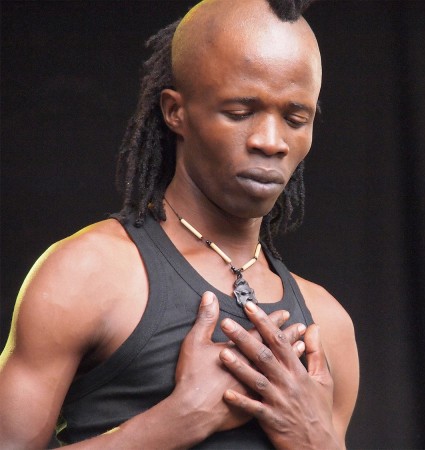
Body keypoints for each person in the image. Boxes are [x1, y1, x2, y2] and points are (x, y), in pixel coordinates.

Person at [0, 0, 359, 448]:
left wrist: (316, 440)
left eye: (294, 119)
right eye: (240, 112)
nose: (271, 142)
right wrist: (176, 421)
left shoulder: (327, 324)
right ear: (175, 112)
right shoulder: (88, 273)